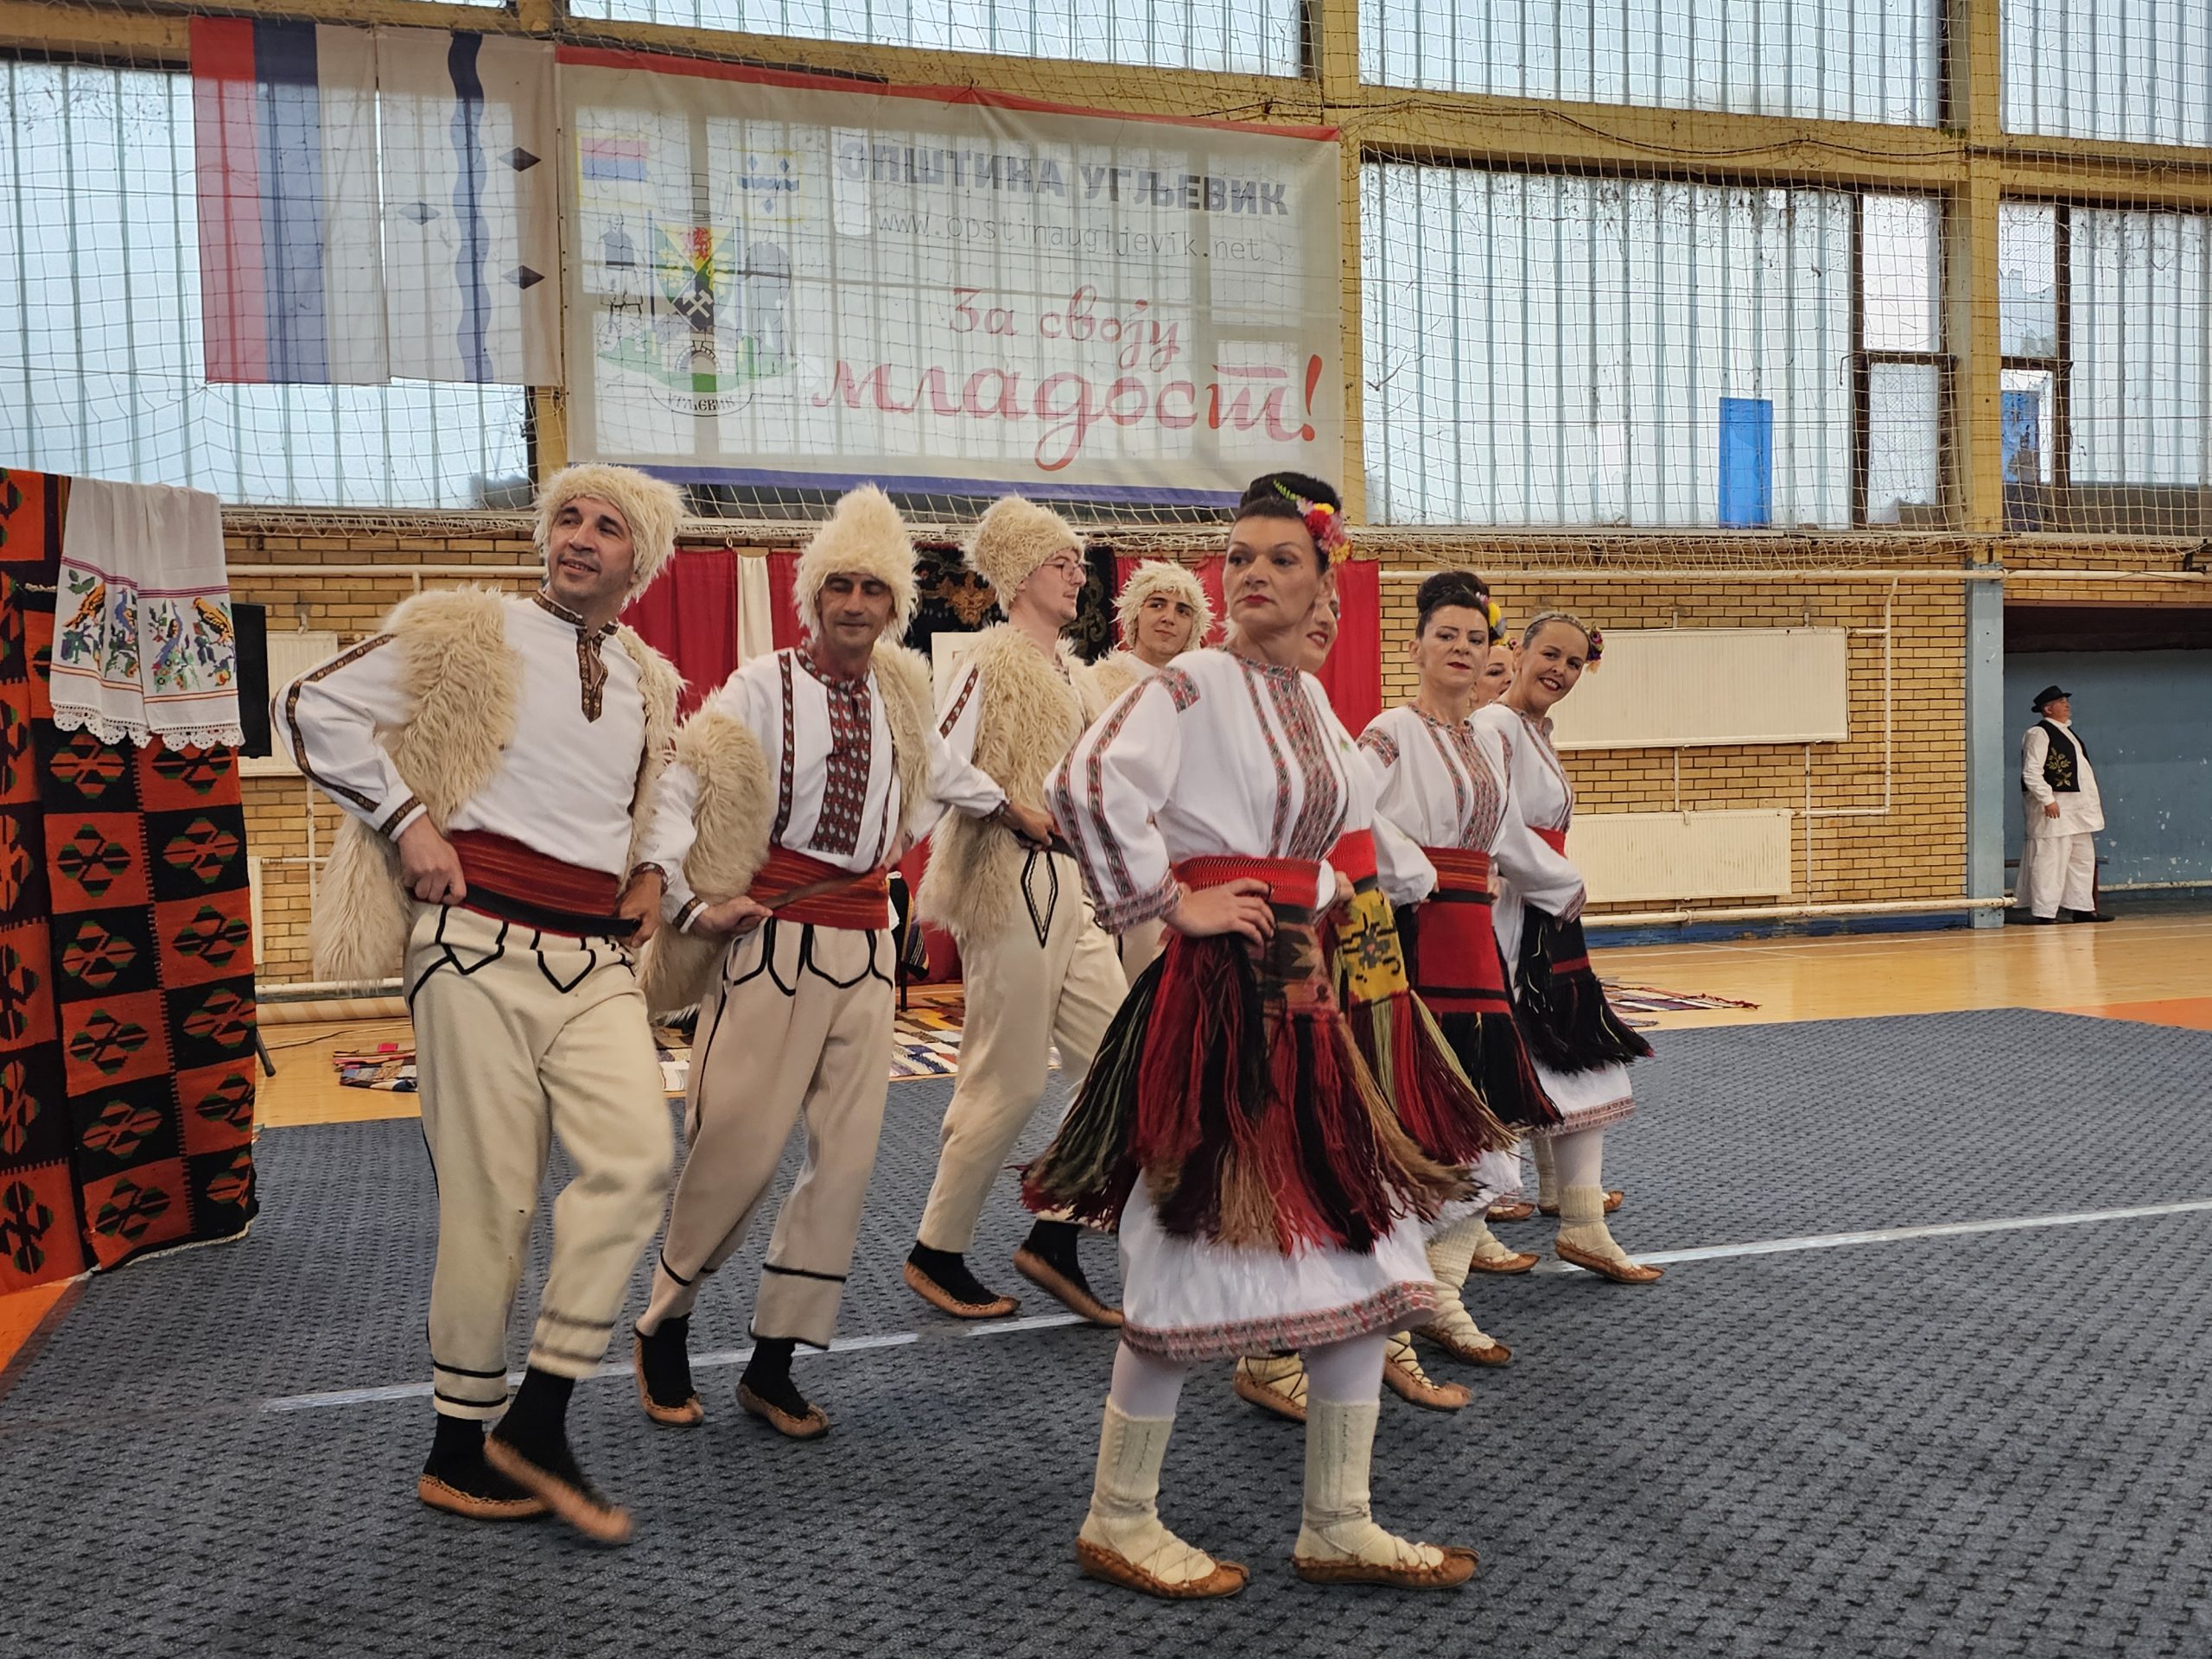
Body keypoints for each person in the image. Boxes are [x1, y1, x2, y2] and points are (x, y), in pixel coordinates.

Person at [1027, 472, 1478, 1599]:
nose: (1255, 574)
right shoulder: (1191, 685)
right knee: (1189, 1234)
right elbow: (1083, 786)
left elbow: (1349, 842)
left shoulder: (1310, 706)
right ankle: (1119, 1515)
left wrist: (1351, 943)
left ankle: (1337, 1514)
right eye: (1242, 557)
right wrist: (1171, 901)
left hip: (1302, 977)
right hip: (1223, 986)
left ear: (1326, 582)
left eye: (1283, 558)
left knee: (1355, 1229)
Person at [276, 463, 685, 1544]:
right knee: (492, 1204)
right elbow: (310, 703)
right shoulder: (470, 628)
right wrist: (407, 820)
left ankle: (539, 1417)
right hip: (475, 947)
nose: (580, 538)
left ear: (638, 561)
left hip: (597, 961)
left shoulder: (650, 675)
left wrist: (655, 869)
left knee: (640, 1158)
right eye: (567, 518)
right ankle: (460, 1446)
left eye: (606, 527)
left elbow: (667, 789)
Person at [627, 487, 1021, 1440]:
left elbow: (938, 771)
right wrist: (683, 898)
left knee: (843, 1165)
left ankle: (774, 1360)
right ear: (814, 598)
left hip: (865, 951)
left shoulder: (901, 692)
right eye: (838, 586)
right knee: (737, 1151)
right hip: (771, 940)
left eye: (872, 590)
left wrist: (1010, 804)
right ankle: (664, 1322)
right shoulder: (761, 686)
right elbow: (688, 778)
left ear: (895, 607)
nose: (854, 604)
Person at [906, 497, 1130, 1326]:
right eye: (1062, 563)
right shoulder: (986, 659)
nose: (1079, 575)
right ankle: (936, 1248)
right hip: (1010, 882)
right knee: (1004, 1076)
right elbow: (933, 757)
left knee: (1120, 1061)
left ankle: (1057, 1238)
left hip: (1067, 888)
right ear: (1020, 575)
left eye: (1078, 563)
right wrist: (1006, 806)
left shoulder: (1072, 671)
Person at [1362, 573, 1592, 1360]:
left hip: (1474, 941)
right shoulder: (1392, 729)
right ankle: (1391, 1303)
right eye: (1446, 635)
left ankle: (1441, 1294)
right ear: (1417, 645)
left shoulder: (1483, 742)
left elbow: (1504, 839)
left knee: (1486, 1132)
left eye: (1474, 637)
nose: (1462, 649)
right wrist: (1409, 871)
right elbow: (1353, 811)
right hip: (1413, 939)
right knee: (1414, 1123)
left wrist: (1561, 886)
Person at [1473, 613, 1660, 1285]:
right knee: (1502, 1065)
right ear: (1517, 652)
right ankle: (1464, 1228)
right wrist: (1559, 881)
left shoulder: (1531, 731)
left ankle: (1581, 1222)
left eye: (1574, 663)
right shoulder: (1494, 726)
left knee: (1576, 1060)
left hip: (1538, 913)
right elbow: (1492, 822)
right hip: (1510, 917)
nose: (1560, 670)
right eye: (1549, 654)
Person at [1087, 559, 1215, 979]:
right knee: (1126, 989)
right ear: (1133, 615)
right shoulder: (1095, 684)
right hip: (1125, 859)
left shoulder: (1205, 693)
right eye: (1157, 604)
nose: (1168, 617)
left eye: (1182, 610)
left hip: (1194, 861)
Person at [2017, 685, 2112, 924]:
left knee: (2081, 858)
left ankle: (2081, 907)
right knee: (2051, 859)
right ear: (2047, 709)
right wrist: (2047, 799)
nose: (2066, 705)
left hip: (2076, 808)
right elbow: (2032, 772)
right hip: (2056, 807)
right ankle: (2045, 911)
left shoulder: (2067, 732)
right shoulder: (2038, 733)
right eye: (2060, 702)